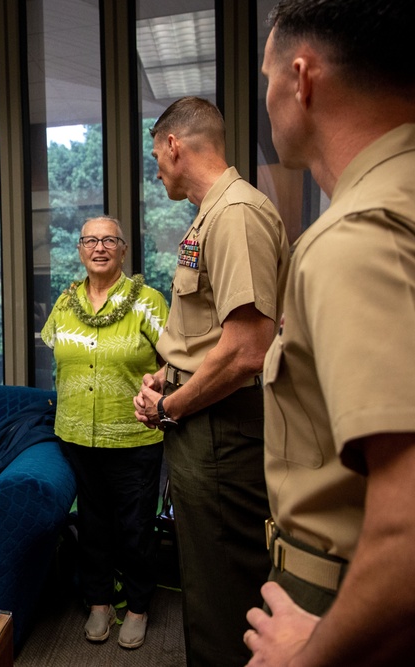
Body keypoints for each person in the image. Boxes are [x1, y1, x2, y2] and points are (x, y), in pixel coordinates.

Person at [244, 2, 415, 665]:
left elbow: (404, 535)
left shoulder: (356, 239)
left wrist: (306, 656)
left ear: (302, 78)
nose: (267, 99)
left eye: (267, 79)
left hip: (347, 602)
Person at [132, 97, 289, 666]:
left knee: (225, 594)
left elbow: (247, 348)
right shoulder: (212, 215)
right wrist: (166, 373)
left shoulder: (235, 214)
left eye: (156, 155)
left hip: (223, 432)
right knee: (205, 580)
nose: (156, 169)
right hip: (207, 425)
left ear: (175, 145)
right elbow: (210, 336)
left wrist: (170, 405)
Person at [42, 216, 170, 650]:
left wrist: (158, 383)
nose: (99, 247)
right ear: (80, 249)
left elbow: (178, 359)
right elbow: (58, 360)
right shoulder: (64, 304)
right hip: (76, 433)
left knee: (135, 527)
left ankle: (137, 607)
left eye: (109, 240)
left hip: (134, 434)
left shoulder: (148, 301)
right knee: (91, 524)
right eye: (91, 240)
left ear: (123, 249)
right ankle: (98, 602)